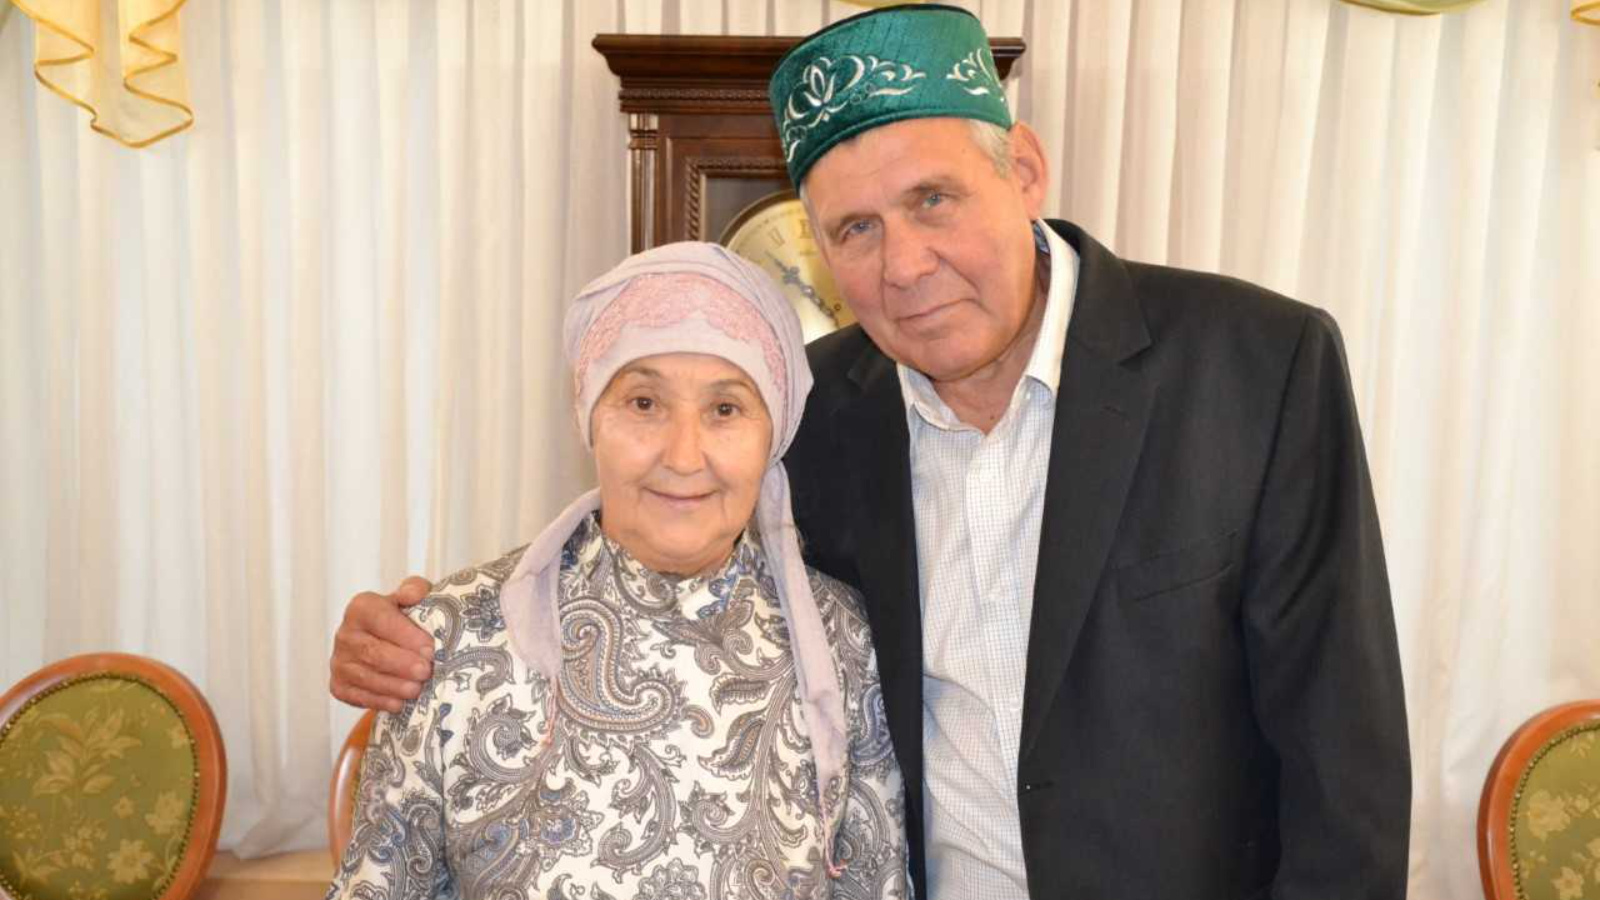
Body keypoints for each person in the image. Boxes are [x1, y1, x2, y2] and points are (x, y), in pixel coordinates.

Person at [330, 5, 1412, 899]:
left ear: (1024, 170)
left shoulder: (1254, 367)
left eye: (932, 200)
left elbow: (1345, 765)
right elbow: (668, 570)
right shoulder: (811, 418)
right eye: (855, 229)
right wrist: (411, 637)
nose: (904, 265)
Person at [327, 242, 909, 900]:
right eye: (643, 404)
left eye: (725, 409)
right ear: (589, 419)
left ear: (771, 437)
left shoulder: (845, 642)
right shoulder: (449, 638)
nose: (684, 456)